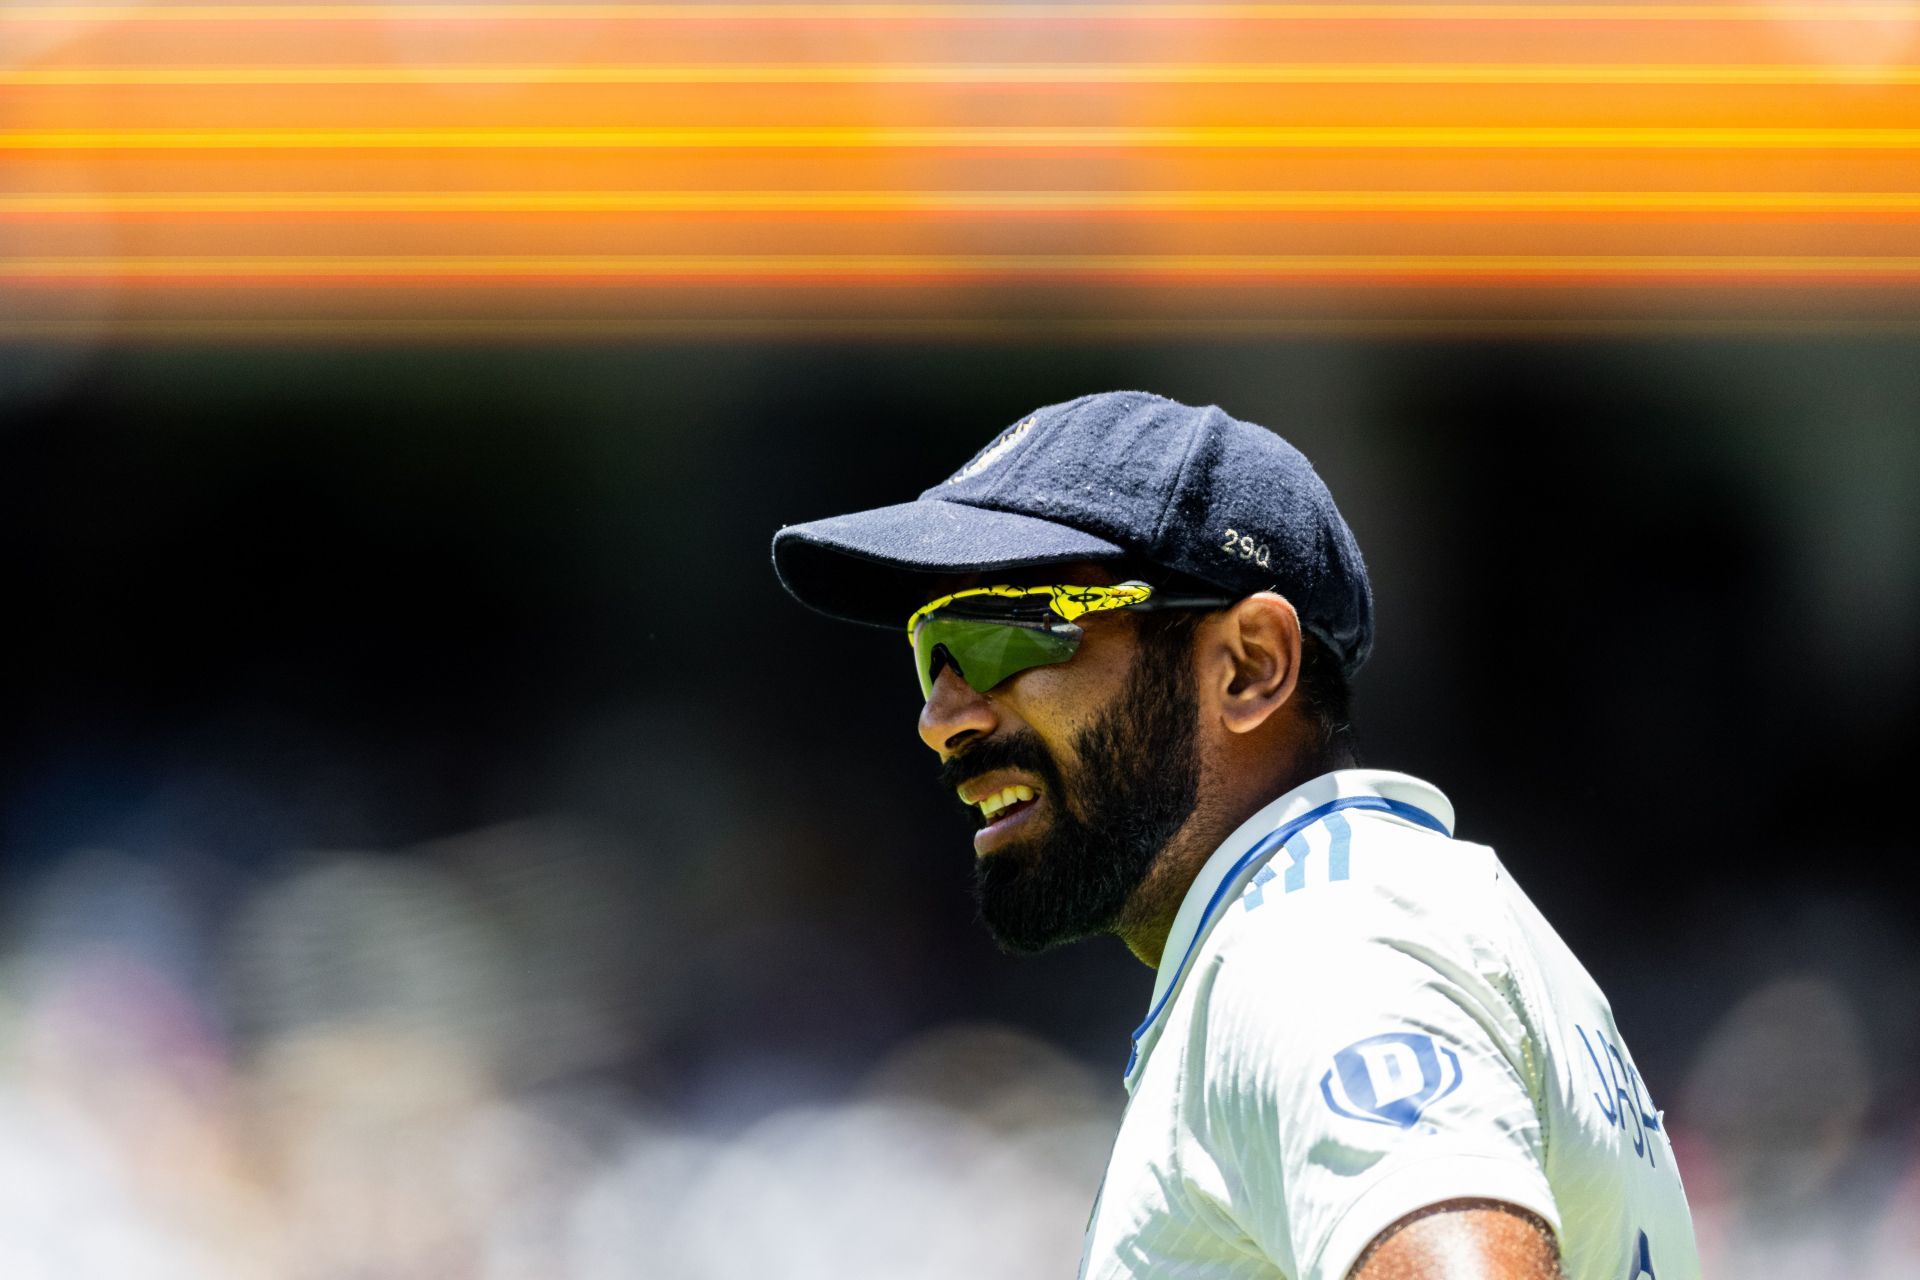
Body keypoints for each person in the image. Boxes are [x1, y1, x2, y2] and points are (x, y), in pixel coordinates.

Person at [771, 391, 1699, 1280]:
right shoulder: (1391, 909)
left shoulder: (1321, 945)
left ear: (1250, 667)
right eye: (930, 647)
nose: (942, 716)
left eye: (1004, 634)